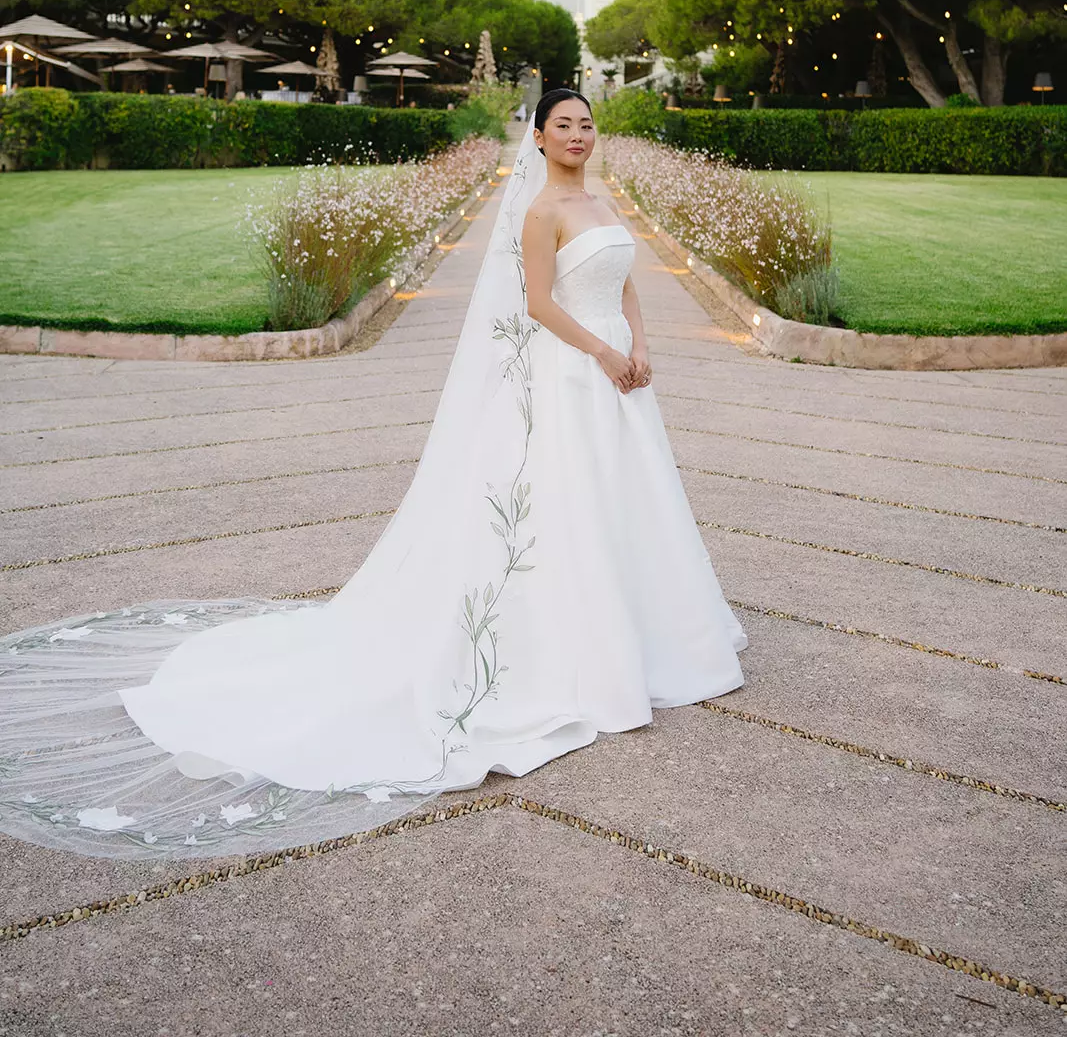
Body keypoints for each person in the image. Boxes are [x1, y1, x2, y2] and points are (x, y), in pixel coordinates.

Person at [0, 90, 746, 861]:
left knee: (629, 500)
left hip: (624, 372)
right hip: (575, 373)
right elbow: (534, 303)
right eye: (564, 125)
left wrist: (641, 345)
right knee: (565, 504)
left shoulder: (598, 201)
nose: (579, 135)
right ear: (539, 137)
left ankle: (642, 627)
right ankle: (576, 645)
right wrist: (601, 352)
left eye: (587, 124)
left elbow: (623, 282)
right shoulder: (539, 213)